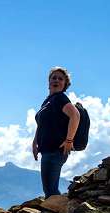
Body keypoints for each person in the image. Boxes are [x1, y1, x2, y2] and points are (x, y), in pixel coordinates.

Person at [32, 66, 80, 198]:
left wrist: (69, 140)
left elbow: (75, 115)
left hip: (55, 151)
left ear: (65, 84)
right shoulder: (48, 101)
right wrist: (35, 143)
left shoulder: (60, 98)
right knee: (49, 189)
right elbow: (41, 124)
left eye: (60, 78)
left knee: (51, 191)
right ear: (49, 82)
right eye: (54, 78)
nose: (56, 80)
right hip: (47, 150)